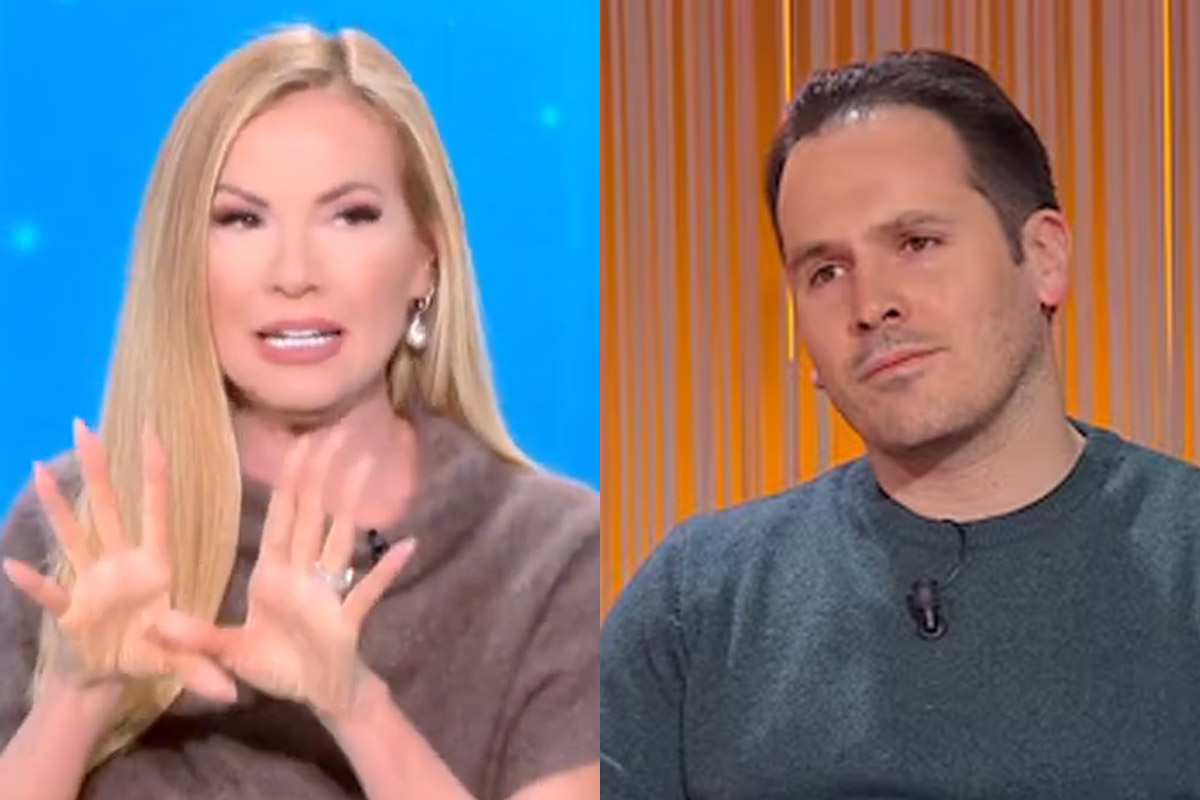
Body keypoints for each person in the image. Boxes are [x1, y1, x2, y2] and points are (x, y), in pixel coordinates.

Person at [0, 24, 599, 800]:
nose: (293, 274)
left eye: (349, 215)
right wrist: (74, 702)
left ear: (426, 259)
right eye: (242, 219)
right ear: (183, 262)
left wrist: (357, 705)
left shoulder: (551, 555)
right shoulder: (79, 530)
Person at [600, 49, 1200, 798]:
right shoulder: (697, 603)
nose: (870, 304)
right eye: (826, 272)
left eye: (917, 244)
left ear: (1044, 258)